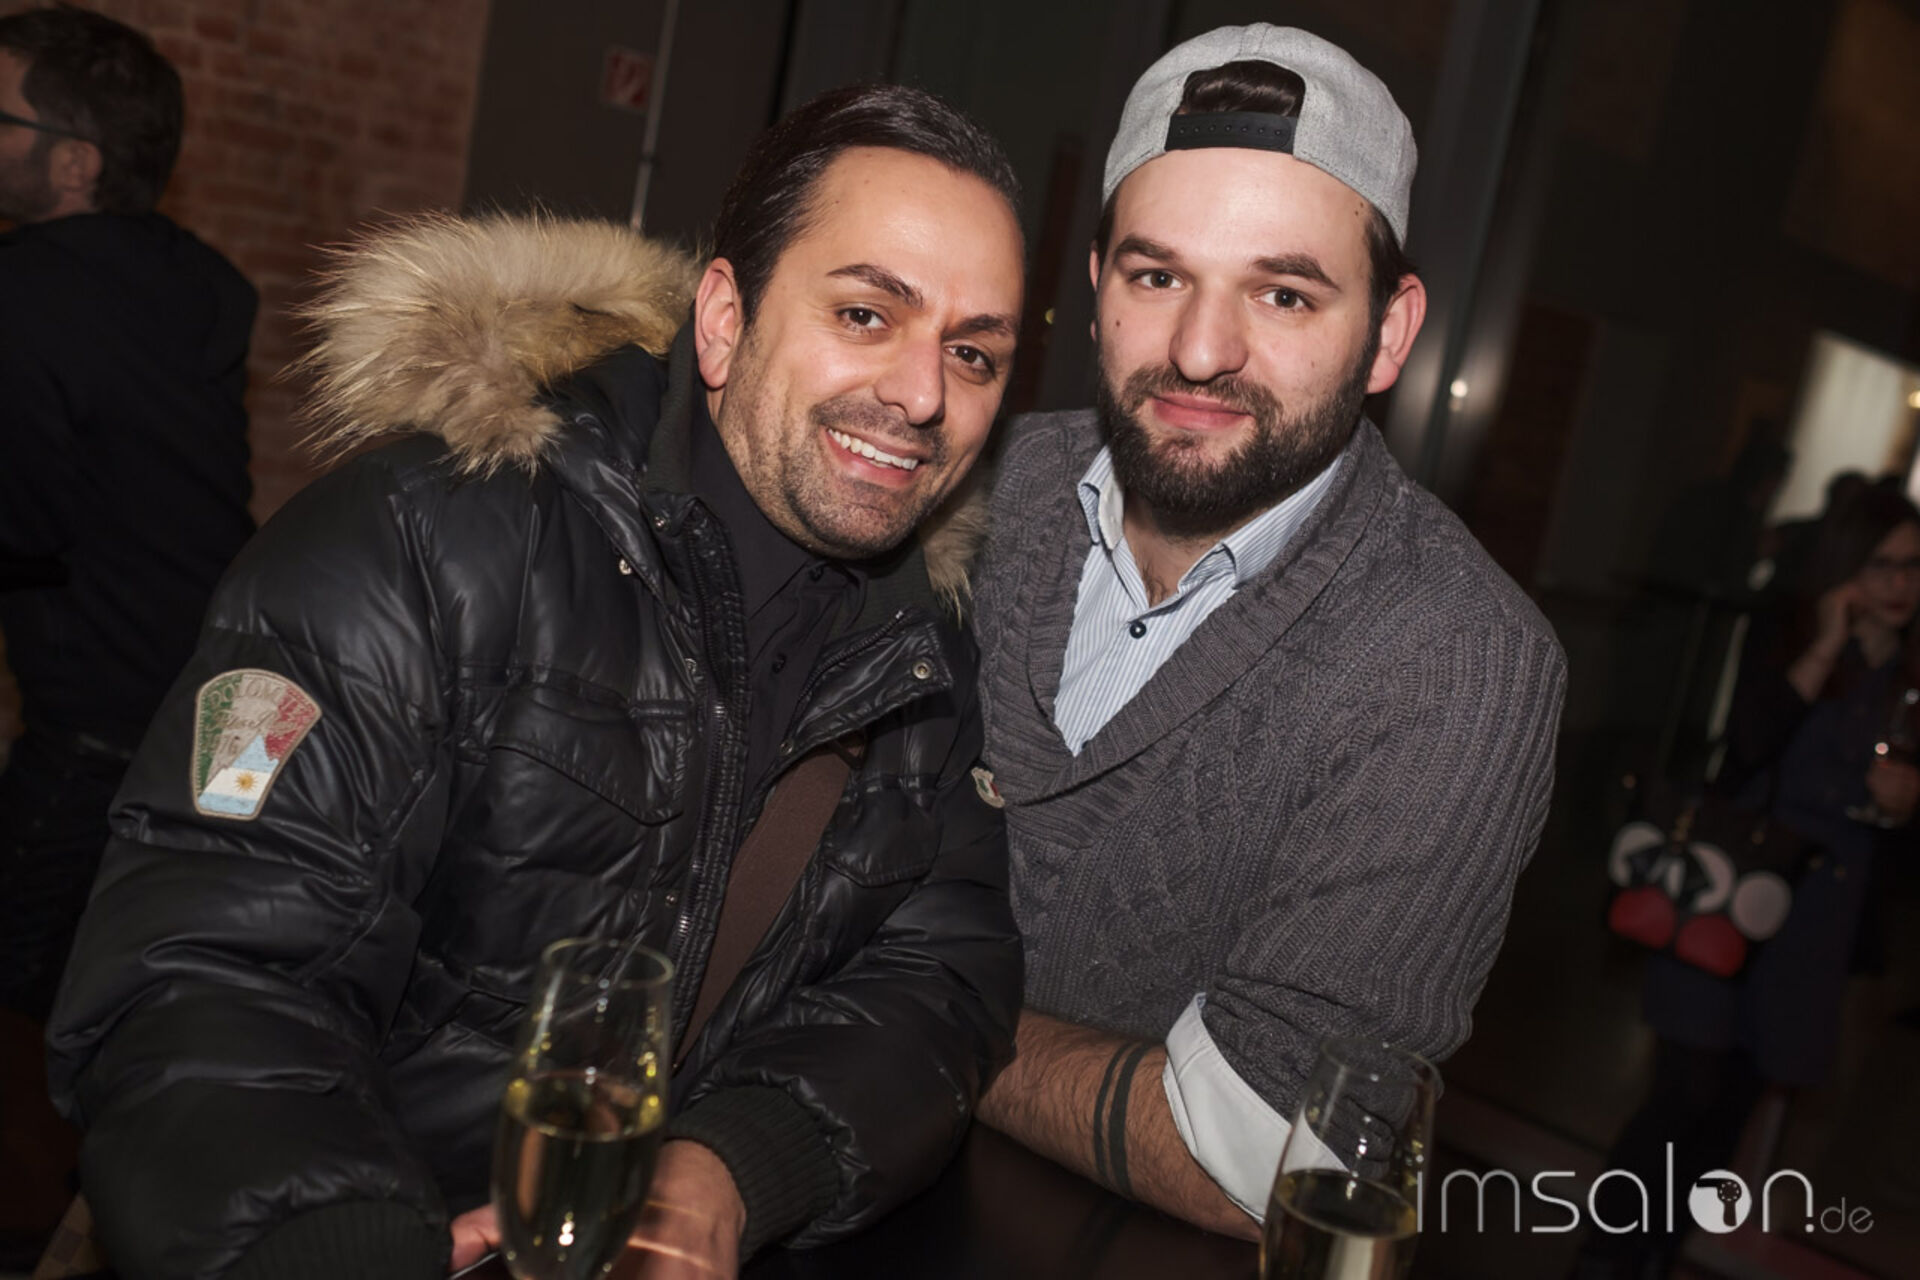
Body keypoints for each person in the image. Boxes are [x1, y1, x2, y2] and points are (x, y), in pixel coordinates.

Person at [45, 83, 1025, 1279]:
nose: (923, 394)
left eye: (973, 352)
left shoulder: (922, 652)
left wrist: (734, 1163)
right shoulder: (424, 541)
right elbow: (201, 965)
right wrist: (339, 1239)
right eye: (867, 313)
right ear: (724, 320)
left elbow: (942, 974)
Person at [970, 25, 1567, 1235]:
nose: (1201, 350)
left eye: (1283, 292)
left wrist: (902, 1013)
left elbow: (1270, 1155)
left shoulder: (1454, 660)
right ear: (1096, 285)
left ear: (1388, 333)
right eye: (1157, 277)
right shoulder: (969, 490)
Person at [1579, 480, 1920, 1277]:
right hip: (1731, 895)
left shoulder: (1908, 672)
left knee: (1728, 1113)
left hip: (1818, 922)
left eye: (1913, 567)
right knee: (1682, 1097)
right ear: (1844, 565)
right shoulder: (1791, 629)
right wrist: (1826, 647)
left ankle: (1653, 1260)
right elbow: (1746, 744)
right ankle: (1603, 1263)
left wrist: (1905, 807)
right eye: (1882, 564)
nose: (1900, 584)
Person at [0, 4, 254, 1019]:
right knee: (146, 987)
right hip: (229, 686)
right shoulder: (202, 281)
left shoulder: (24, 288)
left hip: (98, 722)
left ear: (75, 164)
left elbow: (24, 522)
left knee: (24, 1001)